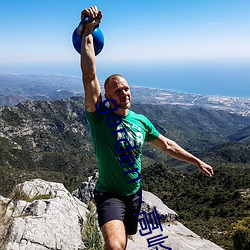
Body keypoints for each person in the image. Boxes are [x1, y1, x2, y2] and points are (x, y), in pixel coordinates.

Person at [79, 6, 214, 250]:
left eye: (127, 88)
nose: (124, 92)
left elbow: (168, 145)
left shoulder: (142, 121)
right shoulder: (99, 116)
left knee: (126, 241)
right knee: (114, 246)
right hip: (109, 194)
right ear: (106, 95)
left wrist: (196, 161)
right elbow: (89, 74)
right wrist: (87, 31)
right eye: (117, 89)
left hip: (134, 194)